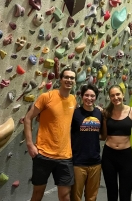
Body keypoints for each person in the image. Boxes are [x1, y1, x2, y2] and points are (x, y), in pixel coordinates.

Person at [24, 68, 77, 201]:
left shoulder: (73, 100)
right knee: (37, 194)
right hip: (43, 154)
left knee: (65, 196)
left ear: (74, 81)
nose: (69, 80)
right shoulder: (46, 97)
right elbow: (28, 118)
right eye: (66, 77)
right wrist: (30, 144)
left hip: (65, 156)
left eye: (72, 78)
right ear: (60, 79)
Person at [101, 84, 132, 201]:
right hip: (109, 156)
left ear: (123, 94)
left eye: (118, 94)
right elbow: (104, 135)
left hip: (126, 156)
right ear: (109, 98)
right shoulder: (106, 113)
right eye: (112, 95)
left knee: (125, 192)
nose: (115, 97)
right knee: (111, 191)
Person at [70, 84, 106, 201]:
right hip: (78, 162)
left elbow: (103, 136)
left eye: (92, 96)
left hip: (95, 162)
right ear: (82, 96)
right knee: (75, 196)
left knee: (92, 197)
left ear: (96, 97)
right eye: (86, 95)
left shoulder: (99, 113)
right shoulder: (75, 114)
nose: (89, 98)